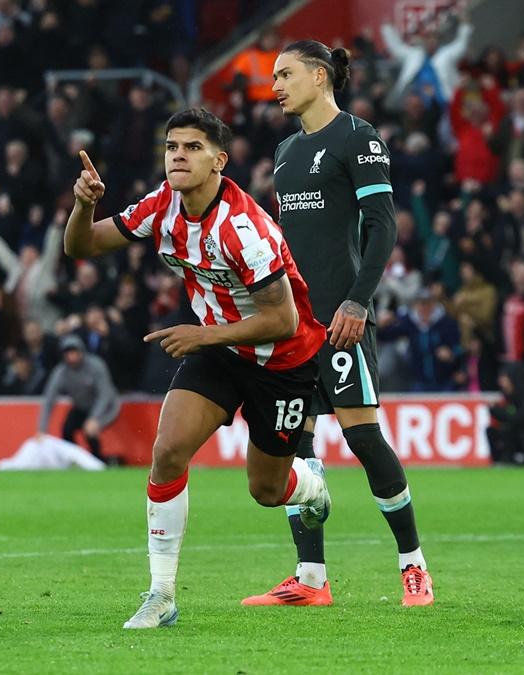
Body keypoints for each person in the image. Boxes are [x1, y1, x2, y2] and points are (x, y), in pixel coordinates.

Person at [63, 108, 331, 629]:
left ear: (218, 161)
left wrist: (201, 333)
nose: (178, 156)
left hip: (284, 360)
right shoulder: (161, 206)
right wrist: (81, 204)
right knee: (167, 452)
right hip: (218, 351)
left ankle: (310, 484)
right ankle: (161, 595)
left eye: (191, 147)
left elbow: (283, 318)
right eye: (171, 147)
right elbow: (82, 246)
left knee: (266, 491)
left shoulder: (244, 227)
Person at [241, 40, 433, 608]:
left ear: (320, 77)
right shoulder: (284, 153)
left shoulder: (358, 138)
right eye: (274, 76)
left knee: (364, 438)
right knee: (296, 451)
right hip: (291, 326)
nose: (275, 85)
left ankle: (414, 567)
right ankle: (311, 579)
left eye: (285, 74)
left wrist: (358, 301)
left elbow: (383, 226)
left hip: (341, 321)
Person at [37, 335, 120, 463]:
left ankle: (97, 460)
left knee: (90, 431)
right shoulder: (61, 372)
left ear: (81, 351)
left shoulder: (96, 366)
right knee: (66, 430)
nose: (72, 356)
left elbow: (105, 395)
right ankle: (75, 459)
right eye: (68, 353)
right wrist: (42, 430)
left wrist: (94, 418)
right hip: (82, 406)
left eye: (74, 352)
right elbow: (49, 400)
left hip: (108, 407)